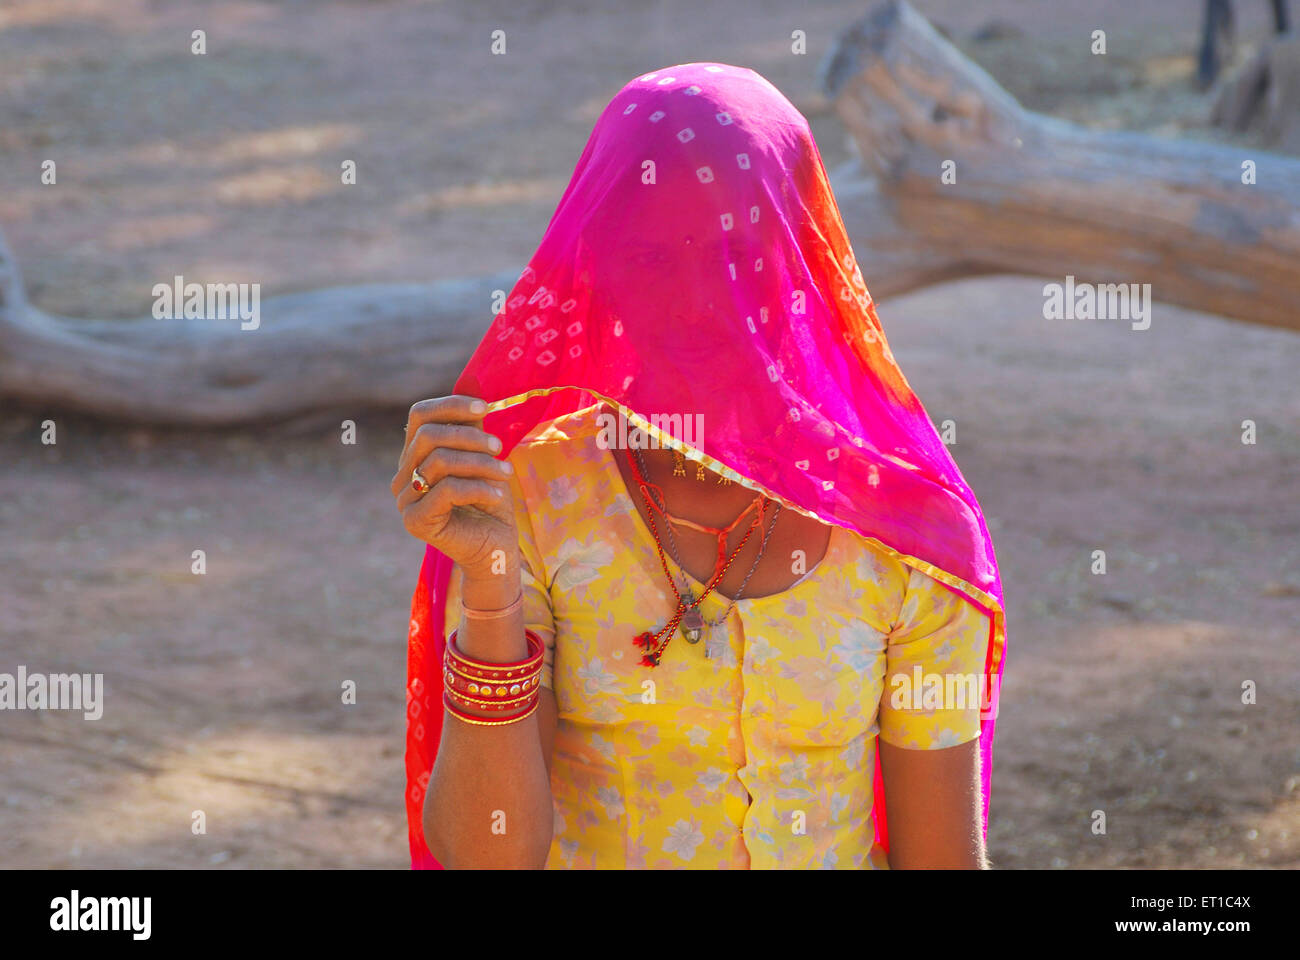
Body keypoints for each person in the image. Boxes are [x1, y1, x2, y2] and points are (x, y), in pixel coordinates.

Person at [392, 62, 1007, 869]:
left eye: (733, 257)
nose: (693, 304)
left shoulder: (909, 531)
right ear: (599, 273)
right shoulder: (535, 499)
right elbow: (490, 858)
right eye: (650, 261)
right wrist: (490, 584)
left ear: (799, 263)